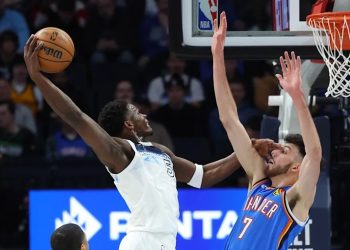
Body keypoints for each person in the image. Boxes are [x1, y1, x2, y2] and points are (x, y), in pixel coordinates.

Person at [24, 34, 280, 250]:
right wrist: (38, 78)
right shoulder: (120, 152)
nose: (144, 114)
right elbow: (76, 117)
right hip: (142, 241)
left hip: (165, 242)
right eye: (136, 112)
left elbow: (204, 176)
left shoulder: (160, 151)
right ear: (127, 124)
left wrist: (246, 150)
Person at [211, 12, 322, 249]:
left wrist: (298, 98)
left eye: (285, 149)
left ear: (297, 167)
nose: (275, 151)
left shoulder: (295, 199)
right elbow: (229, 119)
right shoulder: (259, 182)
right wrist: (217, 55)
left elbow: (314, 155)